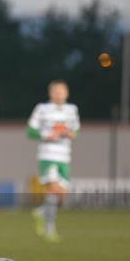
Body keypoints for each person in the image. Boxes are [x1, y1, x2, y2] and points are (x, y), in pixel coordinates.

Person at [27, 79, 80, 242]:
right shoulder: (42, 109)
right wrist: (47, 135)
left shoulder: (72, 110)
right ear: (50, 93)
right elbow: (30, 131)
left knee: (62, 195)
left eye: (61, 91)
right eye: (55, 91)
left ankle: (41, 212)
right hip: (48, 156)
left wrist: (70, 133)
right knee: (53, 191)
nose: (59, 94)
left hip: (64, 157)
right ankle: (50, 229)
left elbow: (75, 131)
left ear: (67, 93)